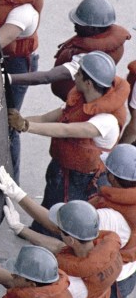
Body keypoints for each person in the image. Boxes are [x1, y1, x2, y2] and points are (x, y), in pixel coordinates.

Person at [0, 147, 136, 298]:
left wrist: (18, 195)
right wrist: (22, 229)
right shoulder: (102, 251)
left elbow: (57, 228)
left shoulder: (109, 218)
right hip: (122, 278)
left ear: (114, 179)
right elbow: (64, 244)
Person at [9, 51, 129, 214]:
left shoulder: (106, 121)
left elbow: (66, 129)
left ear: (88, 83)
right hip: (61, 169)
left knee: (67, 219)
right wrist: (14, 121)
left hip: (82, 182)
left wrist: (25, 126)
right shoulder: (80, 99)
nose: (75, 77)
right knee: (48, 209)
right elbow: (46, 118)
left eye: (78, 74)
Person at [0, 0, 48, 179]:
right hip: (5, 57)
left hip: (17, 64)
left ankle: (12, 180)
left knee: (9, 121)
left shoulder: (24, 11)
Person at [49, 0, 131, 101]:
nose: (75, 24)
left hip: (79, 101)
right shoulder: (113, 45)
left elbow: (48, 76)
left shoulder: (87, 57)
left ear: (93, 28)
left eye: (80, 23)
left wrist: (22, 78)